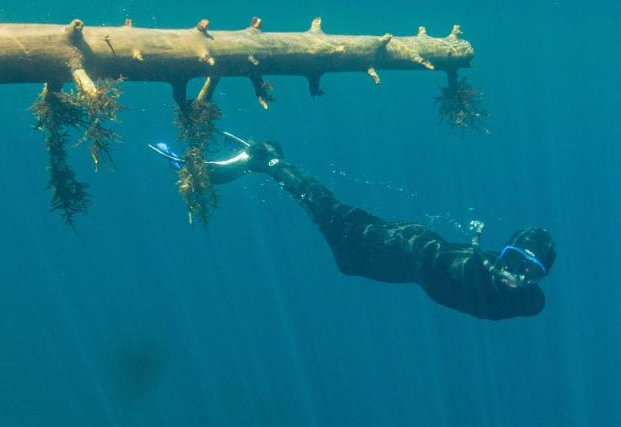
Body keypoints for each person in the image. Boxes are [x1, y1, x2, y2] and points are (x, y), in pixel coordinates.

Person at [149, 135, 555, 320]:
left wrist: (488, 257)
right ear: (502, 253)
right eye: (513, 260)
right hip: (410, 249)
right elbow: (456, 266)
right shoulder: (476, 271)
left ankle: (274, 163)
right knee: (333, 217)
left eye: (528, 271)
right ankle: (269, 161)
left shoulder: (525, 302)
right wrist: (480, 259)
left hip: (400, 269)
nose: (514, 275)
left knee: (345, 260)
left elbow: (526, 299)